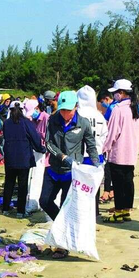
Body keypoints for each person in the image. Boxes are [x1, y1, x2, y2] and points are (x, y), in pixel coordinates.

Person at [40, 90, 99, 256]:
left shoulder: (83, 123)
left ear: (76, 107)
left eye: (69, 110)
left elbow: (91, 146)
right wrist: (62, 156)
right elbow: (48, 144)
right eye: (63, 110)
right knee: (44, 201)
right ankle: (63, 227)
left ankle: (63, 245)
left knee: (67, 207)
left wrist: (96, 165)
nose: (65, 114)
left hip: (72, 174)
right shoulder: (53, 120)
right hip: (53, 169)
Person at [101, 79, 139, 223]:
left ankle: (118, 211)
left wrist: (105, 148)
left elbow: (113, 133)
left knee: (118, 184)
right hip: (131, 152)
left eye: (116, 93)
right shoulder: (134, 108)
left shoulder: (118, 109)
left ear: (122, 93)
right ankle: (126, 210)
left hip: (118, 152)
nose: (115, 96)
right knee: (128, 182)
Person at [1, 100, 44, 214]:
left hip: (10, 157)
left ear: (10, 110)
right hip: (24, 157)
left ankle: (5, 208)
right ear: (22, 110)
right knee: (22, 185)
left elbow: (5, 137)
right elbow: (35, 137)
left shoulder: (6, 123)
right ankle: (20, 211)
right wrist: (40, 149)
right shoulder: (27, 123)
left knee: (9, 183)